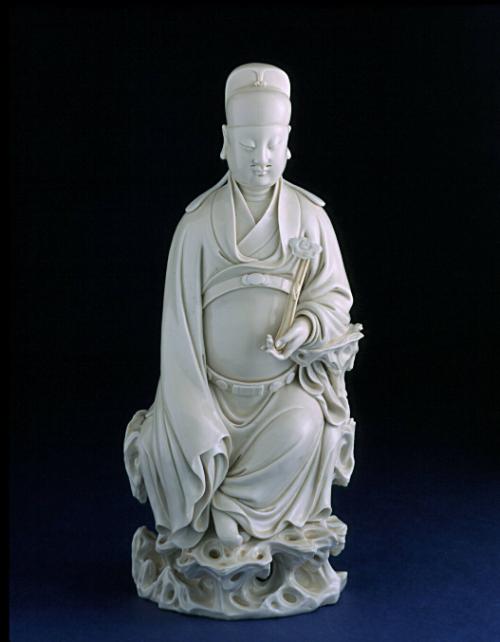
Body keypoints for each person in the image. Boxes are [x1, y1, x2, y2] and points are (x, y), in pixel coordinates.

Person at [124, 63, 357, 552]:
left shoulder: (310, 219)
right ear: (226, 143)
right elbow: (179, 331)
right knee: (178, 441)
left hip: (279, 397)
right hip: (210, 393)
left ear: (288, 144)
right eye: (248, 146)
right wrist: (191, 407)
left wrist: (306, 326)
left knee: (307, 424)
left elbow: (335, 299)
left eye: (272, 145)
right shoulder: (197, 226)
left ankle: (234, 511)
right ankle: (212, 513)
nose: (261, 159)